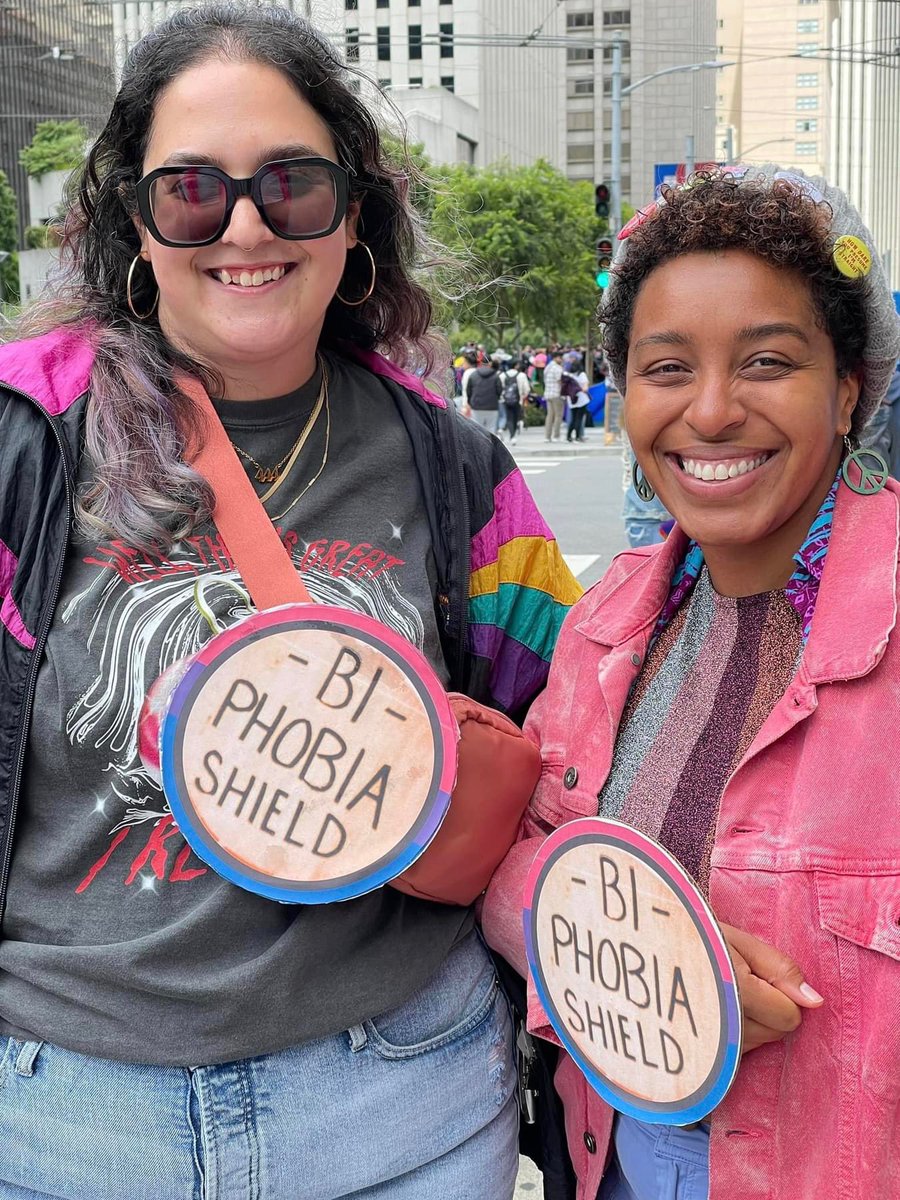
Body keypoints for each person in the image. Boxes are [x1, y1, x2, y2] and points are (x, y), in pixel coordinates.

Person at [0, 6, 581, 1195]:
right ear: (135, 227)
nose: (247, 225)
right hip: (60, 1123)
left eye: (292, 185)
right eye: (192, 193)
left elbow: (575, 756)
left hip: (405, 1109)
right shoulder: (23, 438)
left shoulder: (463, 472)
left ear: (352, 214)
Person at [482, 166, 900, 1200]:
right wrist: (606, 934)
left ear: (849, 389)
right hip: (609, 1159)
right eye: (667, 368)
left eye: (767, 361)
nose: (711, 413)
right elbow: (520, 853)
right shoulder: (606, 620)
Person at [466, 353, 503, 433]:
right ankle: (490, 445)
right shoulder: (495, 376)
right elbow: (499, 390)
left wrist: (470, 402)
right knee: (491, 429)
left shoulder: (473, 375)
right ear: (490, 363)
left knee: (477, 430)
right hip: (492, 406)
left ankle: (478, 445)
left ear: (480, 362)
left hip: (476, 406)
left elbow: (468, 391)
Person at [499, 358, 530, 445]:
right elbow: (526, 389)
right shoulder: (521, 375)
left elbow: (499, 388)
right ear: (516, 365)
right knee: (515, 417)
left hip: (505, 400)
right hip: (517, 400)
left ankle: (509, 434)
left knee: (509, 417)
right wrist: (523, 396)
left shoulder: (502, 375)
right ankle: (513, 436)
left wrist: (502, 397)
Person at [564, 353, 590, 443]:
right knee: (579, 418)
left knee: (573, 418)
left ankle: (569, 436)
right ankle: (578, 436)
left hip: (571, 400)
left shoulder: (568, 375)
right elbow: (585, 388)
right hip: (582, 399)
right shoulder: (581, 374)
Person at [544, 349, 565, 442]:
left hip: (548, 394)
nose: (562, 360)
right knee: (558, 416)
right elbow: (560, 381)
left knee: (549, 416)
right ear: (556, 358)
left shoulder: (547, 367)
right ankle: (556, 436)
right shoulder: (557, 368)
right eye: (561, 358)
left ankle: (547, 436)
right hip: (557, 394)